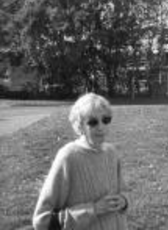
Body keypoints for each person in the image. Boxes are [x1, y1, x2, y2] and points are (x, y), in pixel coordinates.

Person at [33, 92, 131, 230]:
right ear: (80, 126)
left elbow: (124, 192)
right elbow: (42, 221)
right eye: (92, 122)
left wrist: (124, 201)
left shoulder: (112, 152)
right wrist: (93, 210)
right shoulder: (68, 157)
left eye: (106, 119)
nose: (101, 126)